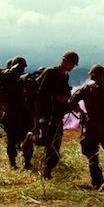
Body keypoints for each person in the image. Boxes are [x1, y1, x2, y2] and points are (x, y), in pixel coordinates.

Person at [69, 64, 104, 189]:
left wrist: (82, 113)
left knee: (92, 156)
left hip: (90, 125)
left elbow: (72, 101)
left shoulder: (86, 89)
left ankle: (97, 182)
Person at [36, 50, 79, 180]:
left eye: (73, 65)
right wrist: (56, 97)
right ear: (64, 61)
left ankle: (48, 169)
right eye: (71, 63)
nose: (72, 67)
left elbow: (66, 94)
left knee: (55, 141)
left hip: (57, 113)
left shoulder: (65, 77)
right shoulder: (50, 73)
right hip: (46, 112)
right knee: (46, 141)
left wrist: (67, 101)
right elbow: (40, 92)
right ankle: (44, 168)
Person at [0, 56, 34, 169]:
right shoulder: (24, 79)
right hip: (23, 112)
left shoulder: (3, 79)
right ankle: (27, 163)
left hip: (9, 112)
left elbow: (0, 99)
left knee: (11, 139)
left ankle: (13, 164)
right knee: (26, 137)